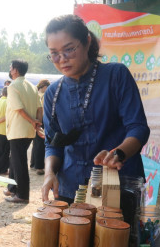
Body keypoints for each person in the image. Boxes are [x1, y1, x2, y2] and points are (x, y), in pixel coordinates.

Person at [41, 14, 150, 204]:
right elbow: (53, 144)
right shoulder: (53, 93)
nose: (62, 59)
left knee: (117, 233)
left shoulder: (116, 75)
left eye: (69, 49)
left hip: (117, 185)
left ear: (87, 42)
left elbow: (138, 128)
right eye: (54, 53)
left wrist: (119, 153)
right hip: (71, 188)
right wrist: (49, 173)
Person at [3, 60, 43, 203]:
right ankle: (12, 188)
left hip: (18, 129)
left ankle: (23, 195)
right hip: (28, 130)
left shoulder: (13, 86)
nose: (9, 69)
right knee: (15, 159)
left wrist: (33, 122)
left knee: (19, 162)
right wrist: (36, 123)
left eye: (10, 67)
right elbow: (39, 108)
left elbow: (19, 109)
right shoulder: (32, 86)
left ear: (15, 70)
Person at [30, 79, 50, 175]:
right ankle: (39, 167)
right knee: (40, 144)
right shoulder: (44, 96)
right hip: (41, 120)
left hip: (33, 120)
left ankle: (33, 164)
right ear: (44, 86)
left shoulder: (34, 94)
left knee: (36, 143)